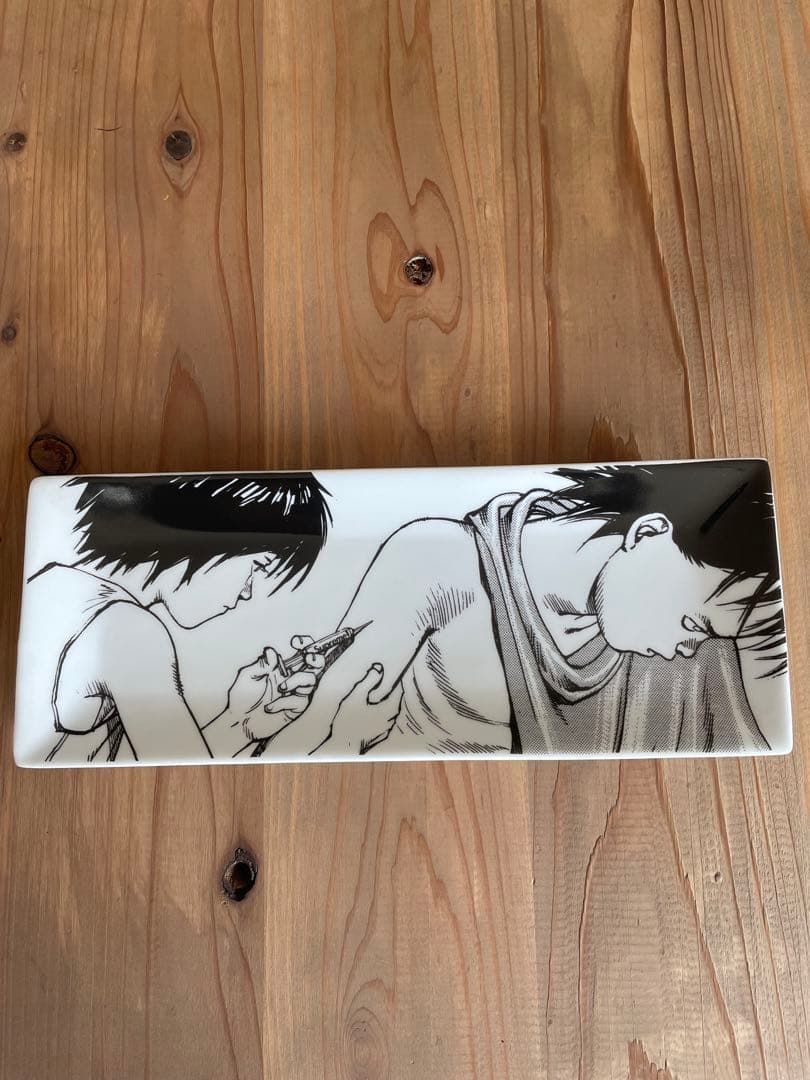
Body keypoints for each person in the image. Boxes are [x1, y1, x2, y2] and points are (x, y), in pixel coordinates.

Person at [264, 461, 785, 758]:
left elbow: (768, 734)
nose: (689, 649)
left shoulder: (674, 654)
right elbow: (309, 736)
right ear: (646, 533)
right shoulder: (439, 563)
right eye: (691, 621)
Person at [25, 473, 331, 763]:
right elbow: (185, 782)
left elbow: (168, 760)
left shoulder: (53, 586)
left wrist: (240, 722)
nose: (247, 592)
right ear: (210, 535)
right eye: (258, 566)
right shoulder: (132, 630)